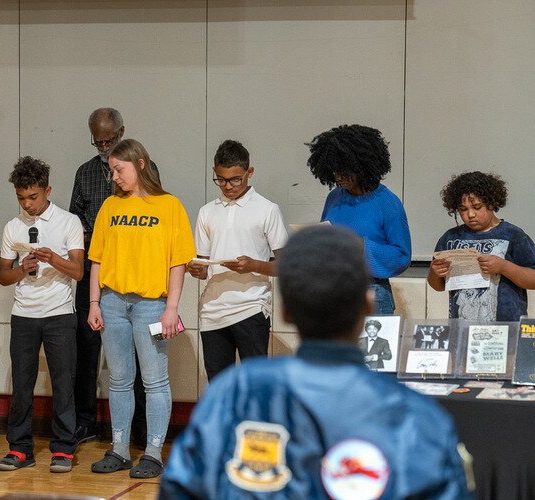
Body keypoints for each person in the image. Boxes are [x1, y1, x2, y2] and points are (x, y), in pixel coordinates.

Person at [161, 225, 473, 499]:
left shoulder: (233, 394)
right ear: (367, 307)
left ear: (285, 311)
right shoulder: (417, 418)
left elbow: (180, 487)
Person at [87, 139, 195, 479]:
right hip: (113, 302)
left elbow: (178, 263)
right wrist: (94, 302)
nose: (114, 176)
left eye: (119, 169)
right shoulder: (109, 207)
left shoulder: (170, 206)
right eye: (111, 171)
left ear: (141, 164)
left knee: (155, 381)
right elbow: (97, 261)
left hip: (152, 306)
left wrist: (171, 308)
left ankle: (153, 453)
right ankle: (119, 450)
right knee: (118, 380)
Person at [0, 157, 83, 473]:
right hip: (24, 315)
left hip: (59, 313)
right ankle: (20, 449)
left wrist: (53, 258)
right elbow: (4, 276)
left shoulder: (69, 221)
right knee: (22, 383)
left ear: (47, 190)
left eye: (33, 197)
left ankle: (63, 448)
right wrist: (22, 269)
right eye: (21, 198)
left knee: (63, 382)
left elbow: (78, 271)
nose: (28, 204)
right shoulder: (12, 226)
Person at [69, 108, 150, 446]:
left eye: (109, 140)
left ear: (122, 132)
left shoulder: (145, 168)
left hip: (131, 274)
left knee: (135, 353)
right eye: (97, 141)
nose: (103, 146)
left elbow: (152, 219)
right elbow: (74, 225)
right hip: (92, 271)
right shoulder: (85, 172)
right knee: (86, 350)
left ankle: (139, 428)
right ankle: (85, 422)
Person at [187, 140, 287, 381]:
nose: (228, 186)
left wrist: (253, 265)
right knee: (220, 386)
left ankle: (256, 421)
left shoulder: (267, 209)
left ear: (249, 173)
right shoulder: (207, 211)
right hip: (212, 310)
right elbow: (203, 264)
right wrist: (196, 269)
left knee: (255, 384)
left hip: (250, 306)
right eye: (221, 179)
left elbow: (286, 265)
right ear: (214, 172)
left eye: (235, 179)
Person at [306, 124, 411, 314]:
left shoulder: (387, 203)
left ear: (362, 165)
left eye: (344, 170)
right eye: (334, 171)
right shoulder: (334, 197)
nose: (338, 177)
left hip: (371, 292)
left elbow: (401, 256)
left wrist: (361, 245)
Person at [427, 171, 535, 322]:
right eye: (463, 209)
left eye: (477, 207)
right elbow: (437, 286)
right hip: (462, 327)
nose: (470, 214)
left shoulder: (513, 235)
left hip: (506, 328)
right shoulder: (450, 238)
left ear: (491, 203)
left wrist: (503, 267)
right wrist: (435, 272)